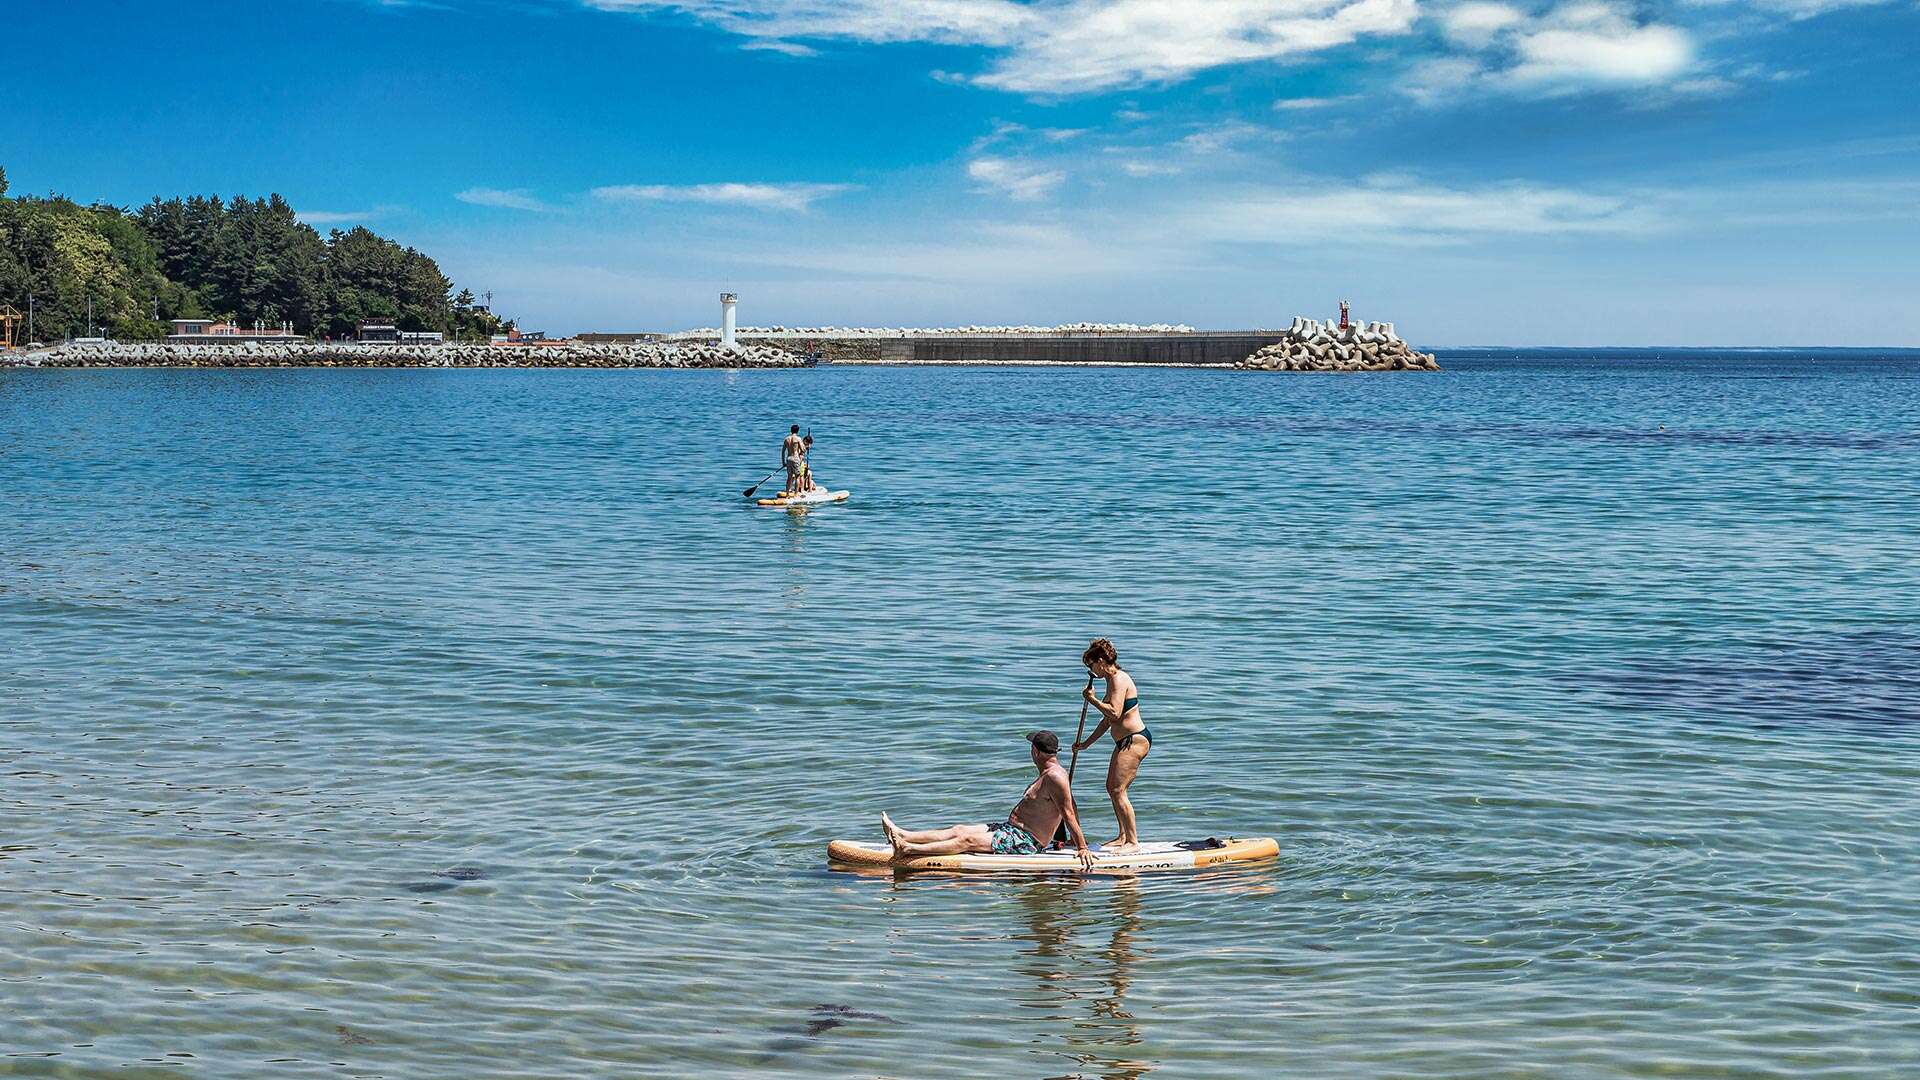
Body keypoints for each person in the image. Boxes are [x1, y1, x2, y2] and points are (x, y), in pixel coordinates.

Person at [881, 731, 1094, 872]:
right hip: (1011, 830)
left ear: (1035, 751)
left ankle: (908, 850)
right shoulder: (1049, 773)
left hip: (1025, 841)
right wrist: (1072, 841)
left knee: (967, 842)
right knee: (959, 830)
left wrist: (1082, 847)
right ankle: (903, 834)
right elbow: (1072, 805)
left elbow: (1068, 813)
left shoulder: (1055, 777)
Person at [1074, 638, 1149, 852]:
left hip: (1134, 739)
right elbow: (1108, 721)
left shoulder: (1118, 679)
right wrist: (1085, 744)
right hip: (1124, 740)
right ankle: (1122, 836)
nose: (1092, 671)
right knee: (1112, 788)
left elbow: (1114, 713)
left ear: (1100, 661)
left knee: (1118, 790)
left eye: (1091, 666)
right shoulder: (1110, 681)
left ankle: (1133, 842)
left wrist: (1093, 700)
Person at [781, 424, 805, 496]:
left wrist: (783, 462)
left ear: (791, 430)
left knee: (789, 477)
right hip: (795, 458)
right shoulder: (798, 439)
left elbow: (783, 451)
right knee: (797, 477)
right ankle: (796, 494)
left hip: (788, 459)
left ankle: (787, 494)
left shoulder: (786, 439)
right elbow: (803, 449)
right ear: (798, 431)